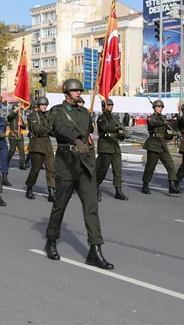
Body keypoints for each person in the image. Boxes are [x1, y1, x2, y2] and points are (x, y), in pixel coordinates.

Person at [44, 79, 114, 270]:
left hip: (85, 163)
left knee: (91, 207)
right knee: (60, 206)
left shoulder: (84, 112)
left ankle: (95, 249)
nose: (78, 93)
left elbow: (89, 129)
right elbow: (59, 128)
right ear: (66, 93)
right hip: (66, 162)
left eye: (80, 91)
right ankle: (51, 240)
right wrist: (76, 139)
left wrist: (86, 127)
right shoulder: (57, 111)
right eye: (75, 91)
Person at [141, 100, 183, 195]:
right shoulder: (151, 118)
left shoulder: (163, 119)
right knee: (150, 167)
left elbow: (164, 134)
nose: (160, 108)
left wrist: (172, 135)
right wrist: (163, 123)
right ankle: (145, 184)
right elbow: (152, 124)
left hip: (162, 144)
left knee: (170, 164)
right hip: (153, 144)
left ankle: (172, 185)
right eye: (158, 107)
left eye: (161, 107)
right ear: (154, 108)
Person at [96, 99, 128, 202]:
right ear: (104, 106)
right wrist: (116, 127)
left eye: (112, 105)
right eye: (109, 105)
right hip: (105, 145)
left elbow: (118, 131)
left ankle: (118, 190)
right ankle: (95, 185)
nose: (111, 106)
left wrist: (122, 135)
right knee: (102, 169)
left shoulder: (114, 118)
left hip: (114, 145)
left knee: (118, 170)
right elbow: (104, 128)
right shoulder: (101, 118)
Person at [24, 97, 55, 201]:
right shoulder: (33, 116)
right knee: (35, 169)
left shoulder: (47, 116)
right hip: (37, 144)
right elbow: (37, 130)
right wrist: (49, 128)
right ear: (38, 105)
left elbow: (51, 131)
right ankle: (29, 187)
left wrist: (52, 129)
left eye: (46, 105)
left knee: (51, 168)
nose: (44, 106)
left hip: (47, 143)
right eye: (42, 105)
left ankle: (51, 191)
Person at [6, 103, 27, 170]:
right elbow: (9, 117)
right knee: (12, 150)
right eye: (16, 110)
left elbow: (24, 126)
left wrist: (21, 124)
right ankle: (6, 162)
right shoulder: (11, 117)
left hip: (20, 136)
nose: (17, 111)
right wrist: (15, 110)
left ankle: (22, 164)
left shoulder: (20, 117)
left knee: (21, 150)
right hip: (13, 135)